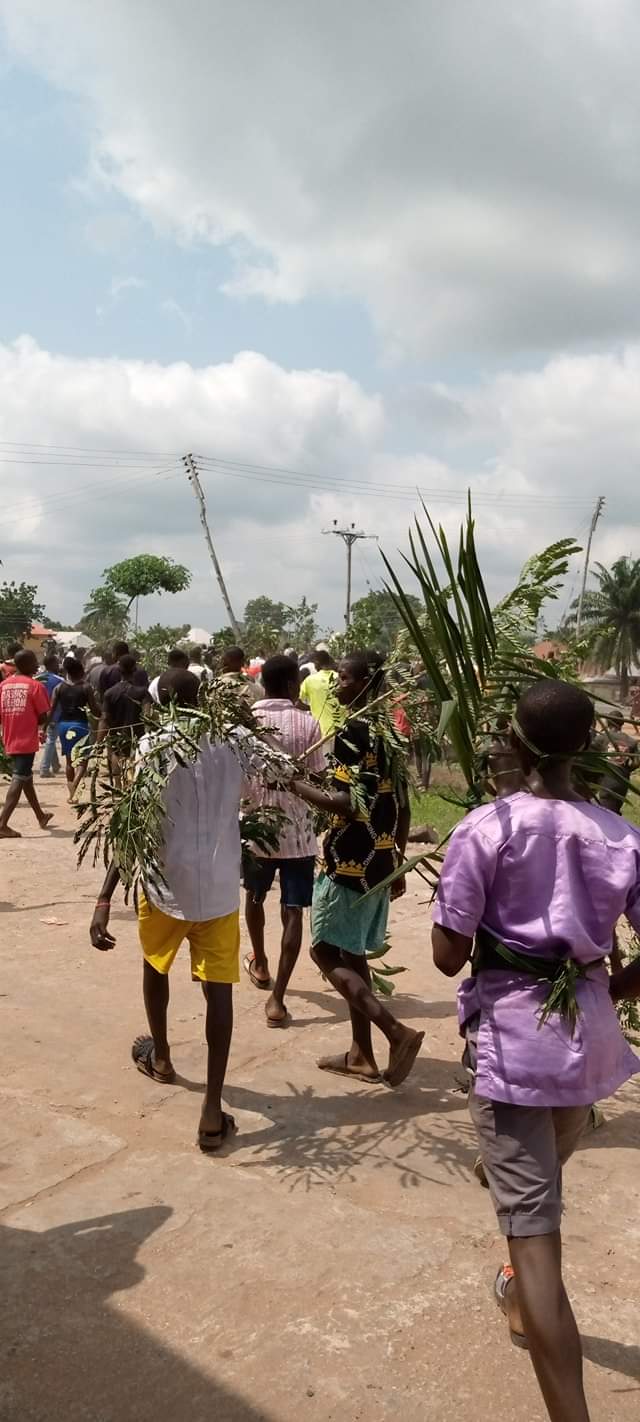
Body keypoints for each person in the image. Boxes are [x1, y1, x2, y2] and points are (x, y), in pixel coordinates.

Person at [431, 680, 640, 1422]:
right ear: (587, 746)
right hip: (585, 1052)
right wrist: (605, 992)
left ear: (514, 746)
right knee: (540, 1180)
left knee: (538, 1243)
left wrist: (459, 909)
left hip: (515, 1054)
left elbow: (446, 957)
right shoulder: (619, 834)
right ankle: (519, 1293)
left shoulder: (488, 829)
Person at [89, 668, 294, 1152]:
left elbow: (131, 830)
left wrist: (102, 899)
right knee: (217, 991)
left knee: (155, 967)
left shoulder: (150, 748)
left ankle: (161, 1057)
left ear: (162, 705)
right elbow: (284, 774)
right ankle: (211, 1108)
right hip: (220, 890)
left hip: (165, 887)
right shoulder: (235, 741)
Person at [291, 651, 423, 1087]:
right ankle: (360, 1055)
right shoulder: (389, 731)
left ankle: (395, 1031)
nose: (336, 685)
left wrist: (293, 784)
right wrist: (397, 860)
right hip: (379, 857)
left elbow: (347, 805)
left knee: (324, 951)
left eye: (344, 678)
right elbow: (401, 806)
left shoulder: (354, 731)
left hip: (349, 860)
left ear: (366, 682)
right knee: (352, 954)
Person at [242, 654, 326, 1025]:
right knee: (293, 910)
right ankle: (277, 998)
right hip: (299, 833)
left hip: (257, 827)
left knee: (255, 897)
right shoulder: (307, 723)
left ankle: (259, 962)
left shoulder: (246, 723)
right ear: (293, 685)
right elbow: (319, 777)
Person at [0, 649, 54, 838]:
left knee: (26, 778)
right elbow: (43, 716)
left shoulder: (4, 685)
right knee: (20, 777)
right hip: (26, 739)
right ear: (28, 665)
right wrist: (41, 727)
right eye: (34, 662)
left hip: (9, 736)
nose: (37, 665)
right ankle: (2, 824)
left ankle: (40, 815)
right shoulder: (35, 686)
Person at [50, 657, 100, 799]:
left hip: (63, 725)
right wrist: (104, 715)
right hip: (80, 725)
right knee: (82, 761)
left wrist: (43, 727)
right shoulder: (86, 687)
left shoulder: (58, 688)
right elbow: (95, 709)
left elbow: (51, 710)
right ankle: (74, 787)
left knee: (69, 760)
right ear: (80, 672)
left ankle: (70, 784)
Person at [99, 653, 151, 747]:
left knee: (116, 759)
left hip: (118, 743)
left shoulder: (109, 693)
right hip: (138, 743)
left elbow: (104, 719)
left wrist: (98, 744)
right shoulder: (143, 693)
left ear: (119, 670)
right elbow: (147, 716)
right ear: (135, 669)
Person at [595, 709, 639, 814]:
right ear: (622, 723)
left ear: (607, 722)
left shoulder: (601, 739)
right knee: (614, 812)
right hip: (622, 783)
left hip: (607, 783)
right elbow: (637, 761)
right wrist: (626, 769)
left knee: (606, 816)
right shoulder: (631, 741)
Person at [299, 649, 339, 739]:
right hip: (340, 731)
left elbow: (297, 703)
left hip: (320, 732)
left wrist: (311, 708)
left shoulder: (310, 680)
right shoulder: (340, 678)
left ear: (317, 662)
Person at [37, 653, 64, 778]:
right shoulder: (59, 681)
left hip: (38, 714)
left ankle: (56, 764)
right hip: (54, 714)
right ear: (53, 664)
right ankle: (44, 768)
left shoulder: (38, 678)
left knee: (50, 738)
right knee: (51, 739)